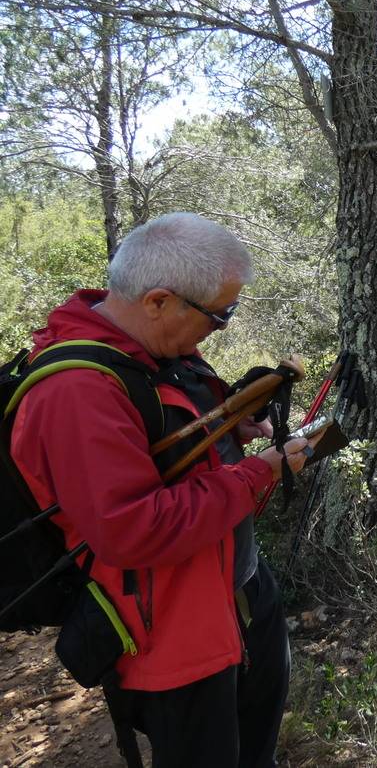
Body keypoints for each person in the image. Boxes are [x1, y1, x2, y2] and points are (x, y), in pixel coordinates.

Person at [10, 213, 319, 768]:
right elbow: (133, 528)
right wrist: (260, 472)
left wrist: (231, 426)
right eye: (219, 316)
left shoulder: (154, 348)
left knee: (257, 751)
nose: (221, 327)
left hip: (240, 587)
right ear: (157, 300)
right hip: (172, 634)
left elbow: (165, 436)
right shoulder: (76, 391)